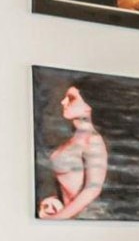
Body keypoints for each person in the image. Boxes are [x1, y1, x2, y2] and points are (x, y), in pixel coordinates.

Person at [38, 83, 109, 220]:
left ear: (88, 106)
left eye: (71, 98)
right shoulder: (75, 136)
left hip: (87, 216)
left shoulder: (93, 140)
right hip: (72, 216)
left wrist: (57, 219)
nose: (63, 101)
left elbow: (92, 189)